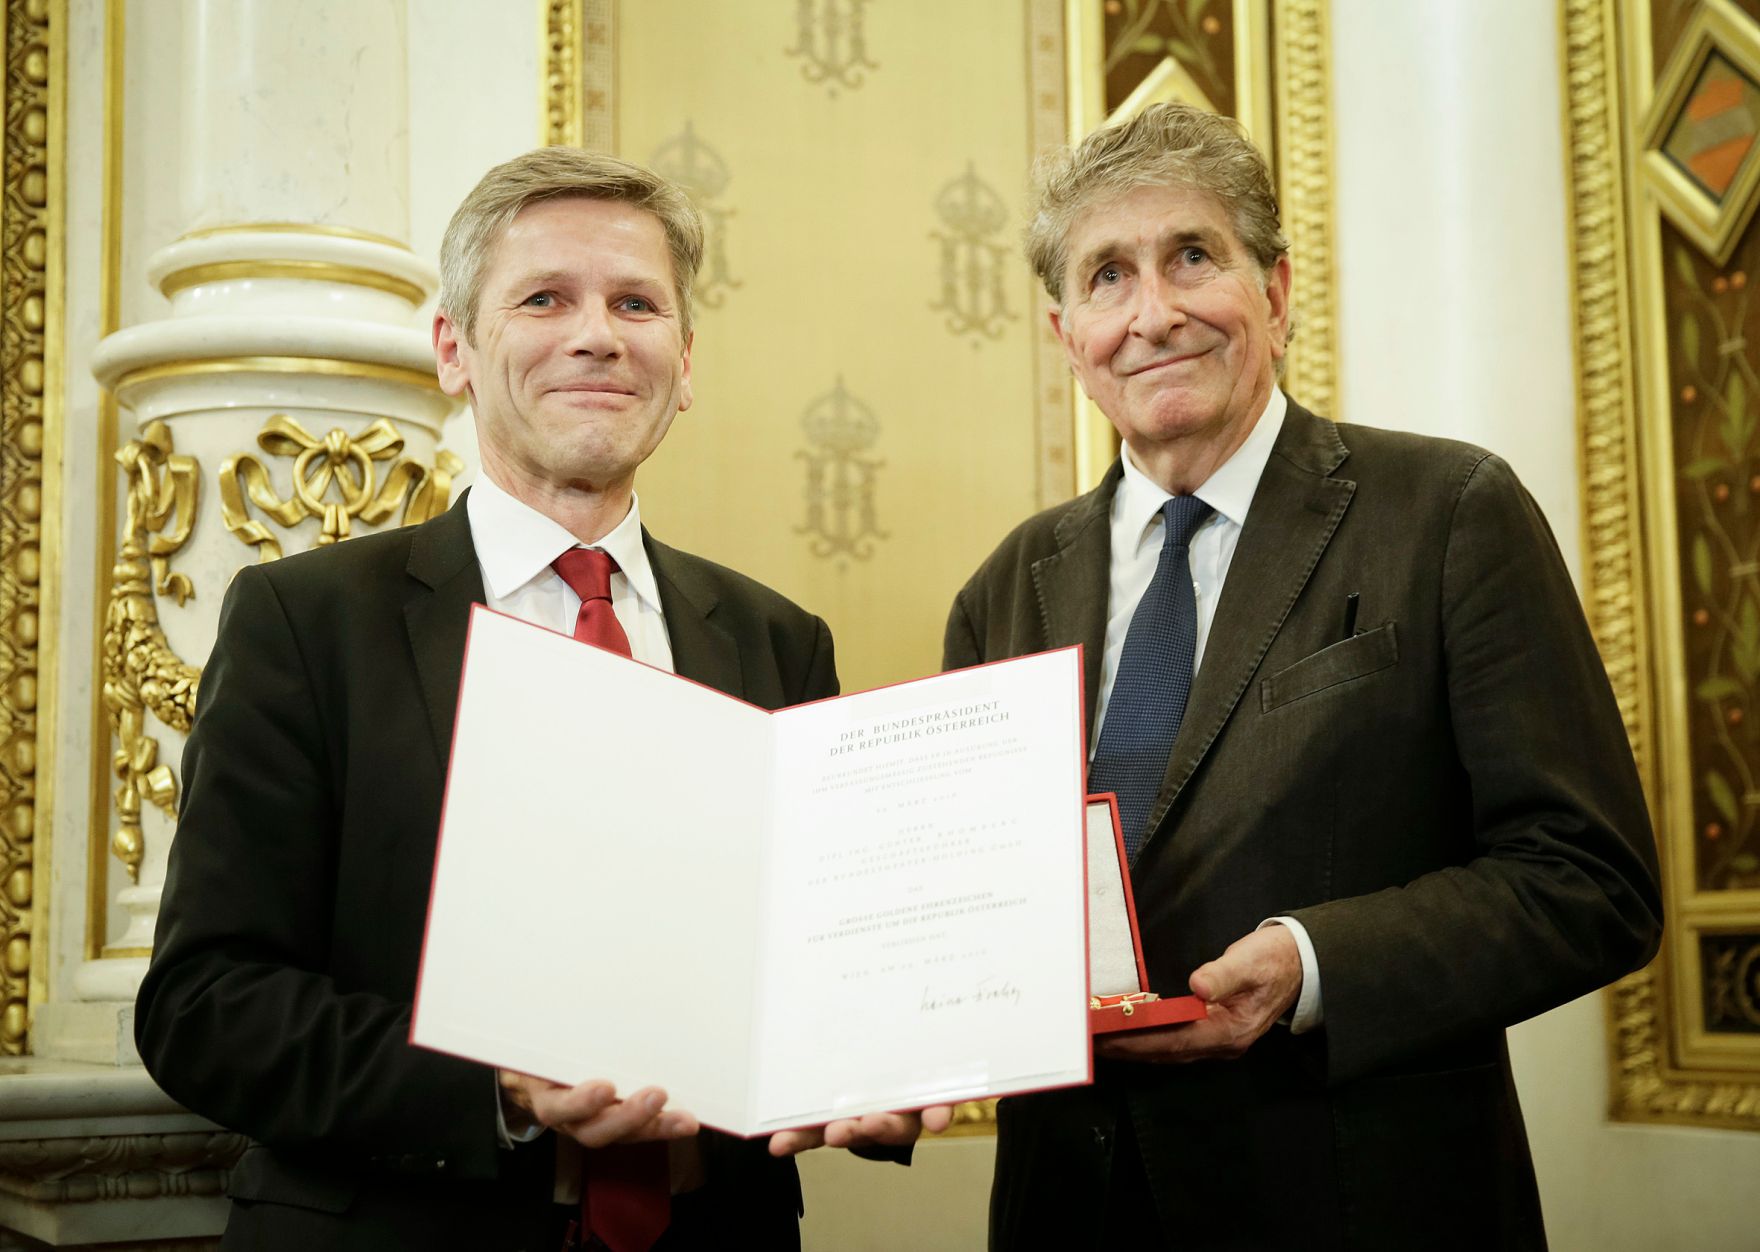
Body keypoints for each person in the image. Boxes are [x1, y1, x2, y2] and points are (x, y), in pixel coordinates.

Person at [135, 148, 939, 1252]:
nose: (596, 334)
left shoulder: (774, 641)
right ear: (453, 350)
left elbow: (819, 972)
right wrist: (496, 1086)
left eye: (635, 302)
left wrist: (879, 1058)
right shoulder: (306, 621)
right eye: (544, 298)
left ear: (685, 358)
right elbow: (204, 1007)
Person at [944, 102, 1663, 1250]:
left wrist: (1314, 963)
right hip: (1071, 1205)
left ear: (1273, 293)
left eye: (1192, 256)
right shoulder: (1007, 585)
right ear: (1064, 330)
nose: (1154, 312)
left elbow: (1589, 882)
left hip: (1358, 1196)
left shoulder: (1446, 512)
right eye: (1107, 275)